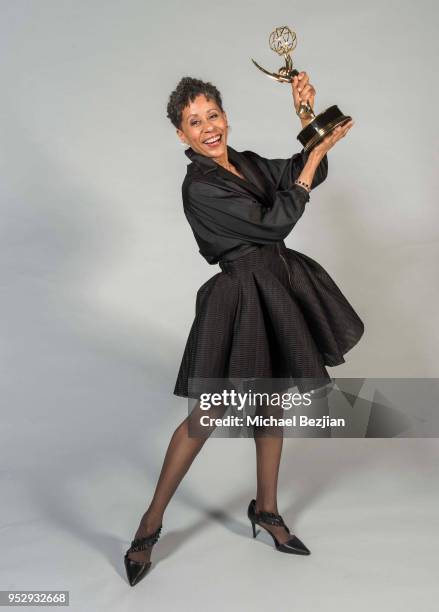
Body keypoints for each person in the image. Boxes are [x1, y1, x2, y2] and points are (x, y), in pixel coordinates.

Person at [124, 74, 364, 586]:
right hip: (238, 296)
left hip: (277, 285)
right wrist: (316, 157)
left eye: (212, 115)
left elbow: (304, 175)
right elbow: (274, 222)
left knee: (272, 400)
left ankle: (267, 510)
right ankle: (149, 525)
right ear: (181, 135)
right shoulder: (200, 186)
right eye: (195, 122)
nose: (208, 127)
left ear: (225, 116)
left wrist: (306, 117)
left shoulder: (248, 162)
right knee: (206, 414)